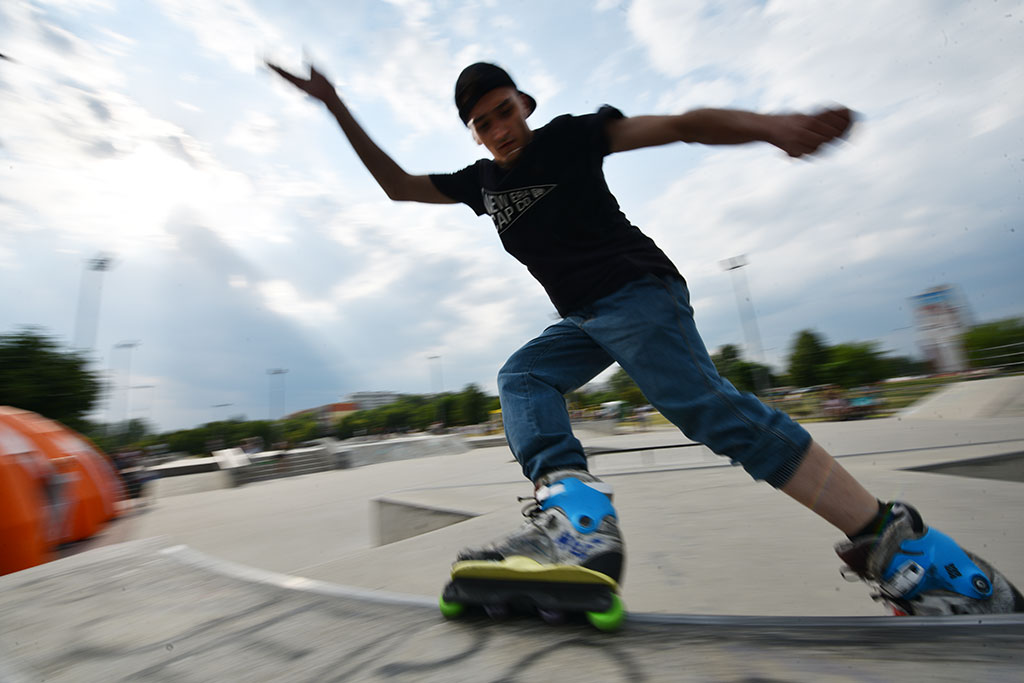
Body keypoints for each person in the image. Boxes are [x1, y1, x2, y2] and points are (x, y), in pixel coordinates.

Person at [268, 59, 1021, 615]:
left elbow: (683, 126)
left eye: (506, 111)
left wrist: (772, 127)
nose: (501, 131)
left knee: (708, 411)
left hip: (639, 292)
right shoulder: (481, 183)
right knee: (523, 378)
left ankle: (910, 552)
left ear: (525, 104)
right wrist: (335, 103)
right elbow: (397, 184)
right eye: (485, 123)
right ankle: (579, 518)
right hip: (586, 320)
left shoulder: (567, 138)